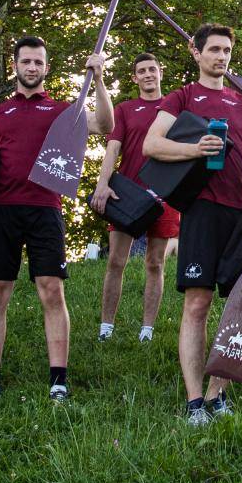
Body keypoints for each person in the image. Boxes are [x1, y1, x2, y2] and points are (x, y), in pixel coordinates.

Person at [142, 24, 242, 425]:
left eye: (227, 50)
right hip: (199, 210)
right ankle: (195, 401)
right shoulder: (182, 96)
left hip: (239, 214)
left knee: (235, 307)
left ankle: (218, 395)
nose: (221, 56)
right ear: (196, 53)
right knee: (197, 303)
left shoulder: (241, 102)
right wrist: (193, 149)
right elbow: (152, 144)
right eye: (213, 49)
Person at [0, 36, 111, 404]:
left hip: (45, 209)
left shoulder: (62, 110)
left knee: (52, 290)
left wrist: (98, 79)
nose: (32, 67)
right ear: (16, 66)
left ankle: (59, 383)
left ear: (46, 67)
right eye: (26, 62)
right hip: (1, 211)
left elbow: (104, 122)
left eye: (38, 62)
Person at [91, 52, 180, 344]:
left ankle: (147, 331)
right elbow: (112, 150)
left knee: (155, 263)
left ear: (160, 73)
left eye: (152, 69)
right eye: (141, 71)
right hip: (126, 194)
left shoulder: (175, 109)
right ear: (135, 78)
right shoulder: (125, 109)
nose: (147, 74)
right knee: (116, 260)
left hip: (164, 197)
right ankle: (106, 328)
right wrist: (102, 184)